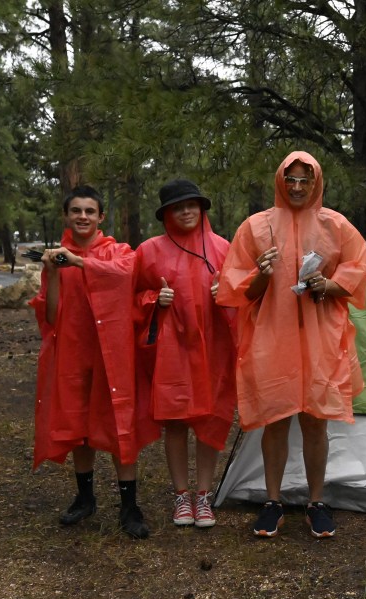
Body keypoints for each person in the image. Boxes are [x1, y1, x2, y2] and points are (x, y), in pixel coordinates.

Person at [216, 151, 366, 538]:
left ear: (316, 182)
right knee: (276, 420)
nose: (297, 187)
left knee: (316, 422)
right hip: (273, 336)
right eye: (291, 180)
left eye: (305, 180)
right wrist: (262, 275)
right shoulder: (256, 227)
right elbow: (237, 289)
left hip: (320, 337)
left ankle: (317, 502)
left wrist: (329, 284)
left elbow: (357, 265)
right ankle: (272, 502)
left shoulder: (335, 225)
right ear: (280, 181)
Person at [29, 185, 149, 539]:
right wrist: (53, 272)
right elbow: (51, 315)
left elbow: (125, 274)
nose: (82, 216)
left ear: (100, 217)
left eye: (89, 211)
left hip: (112, 353)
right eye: (76, 211)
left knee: (118, 423)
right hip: (72, 350)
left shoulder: (118, 251)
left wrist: (79, 261)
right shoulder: (55, 259)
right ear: (66, 216)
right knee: (77, 423)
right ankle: (85, 497)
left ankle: (129, 505)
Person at [134, 179, 236, 528]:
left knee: (211, 419)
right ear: (167, 214)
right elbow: (132, 296)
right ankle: (181, 495)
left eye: (191, 204)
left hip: (214, 346)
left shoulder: (223, 248)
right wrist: (154, 299)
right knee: (175, 420)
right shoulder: (149, 250)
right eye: (178, 207)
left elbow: (244, 293)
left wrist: (228, 292)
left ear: (202, 208)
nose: (186, 211)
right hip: (172, 350)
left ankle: (203, 496)